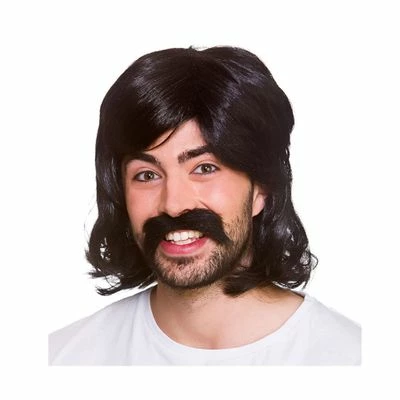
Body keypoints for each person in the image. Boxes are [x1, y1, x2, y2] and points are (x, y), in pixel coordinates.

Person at [48, 46, 361, 365]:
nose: (174, 205)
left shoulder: (348, 359)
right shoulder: (65, 359)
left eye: (204, 168)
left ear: (261, 188)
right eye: (147, 175)